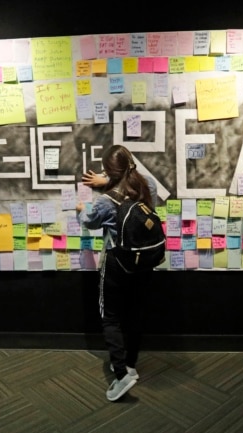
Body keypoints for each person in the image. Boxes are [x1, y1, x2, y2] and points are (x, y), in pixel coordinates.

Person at [76, 144, 158, 402]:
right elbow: (135, 180)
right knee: (136, 312)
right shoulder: (148, 186)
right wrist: (111, 178)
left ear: (110, 171)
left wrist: (81, 209)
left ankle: (121, 373)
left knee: (110, 316)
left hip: (116, 263)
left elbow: (88, 220)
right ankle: (130, 363)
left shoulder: (106, 201)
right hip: (144, 262)